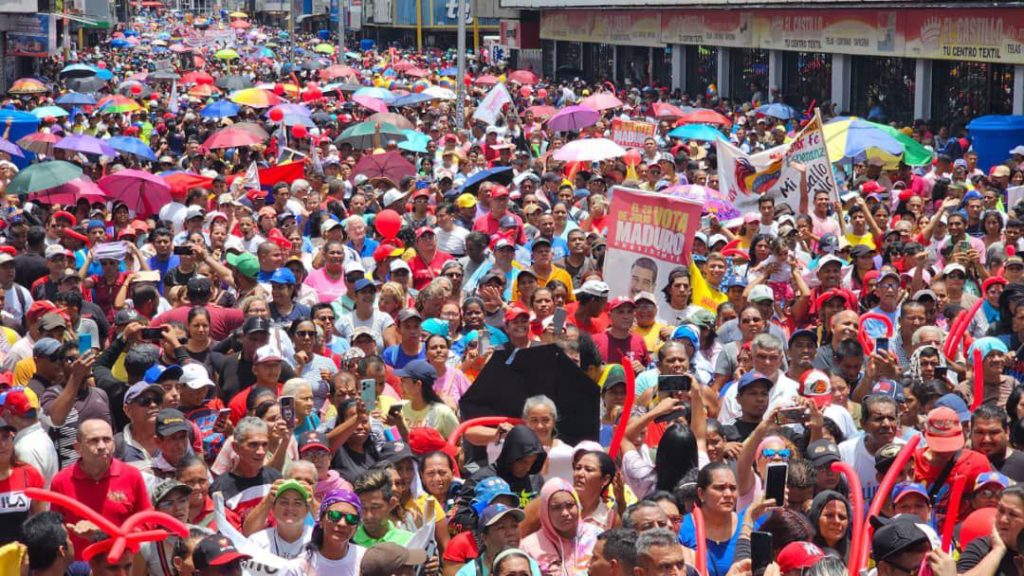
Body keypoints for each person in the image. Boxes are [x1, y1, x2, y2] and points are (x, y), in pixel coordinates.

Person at [49, 418, 152, 560]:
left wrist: (106, 532)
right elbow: (54, 529)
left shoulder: (132, 476)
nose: (102, 446)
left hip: (121, 565)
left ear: (114, 445)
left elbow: (146, 523)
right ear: (77, 448)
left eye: (107, 439)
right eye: (94, 440)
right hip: (79, 568)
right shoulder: (61, 481)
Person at [520, 478, 601, 576]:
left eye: (570, 505)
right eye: (556, 507)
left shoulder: (596, 536)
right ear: (545, 511)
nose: (565, 513)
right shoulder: (528, 547)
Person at [210, 416, 284, 521]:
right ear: (236, 447)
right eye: (253, 445)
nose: (261, 452)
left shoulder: (275, 479)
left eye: (265, 444)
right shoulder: (220, 488)